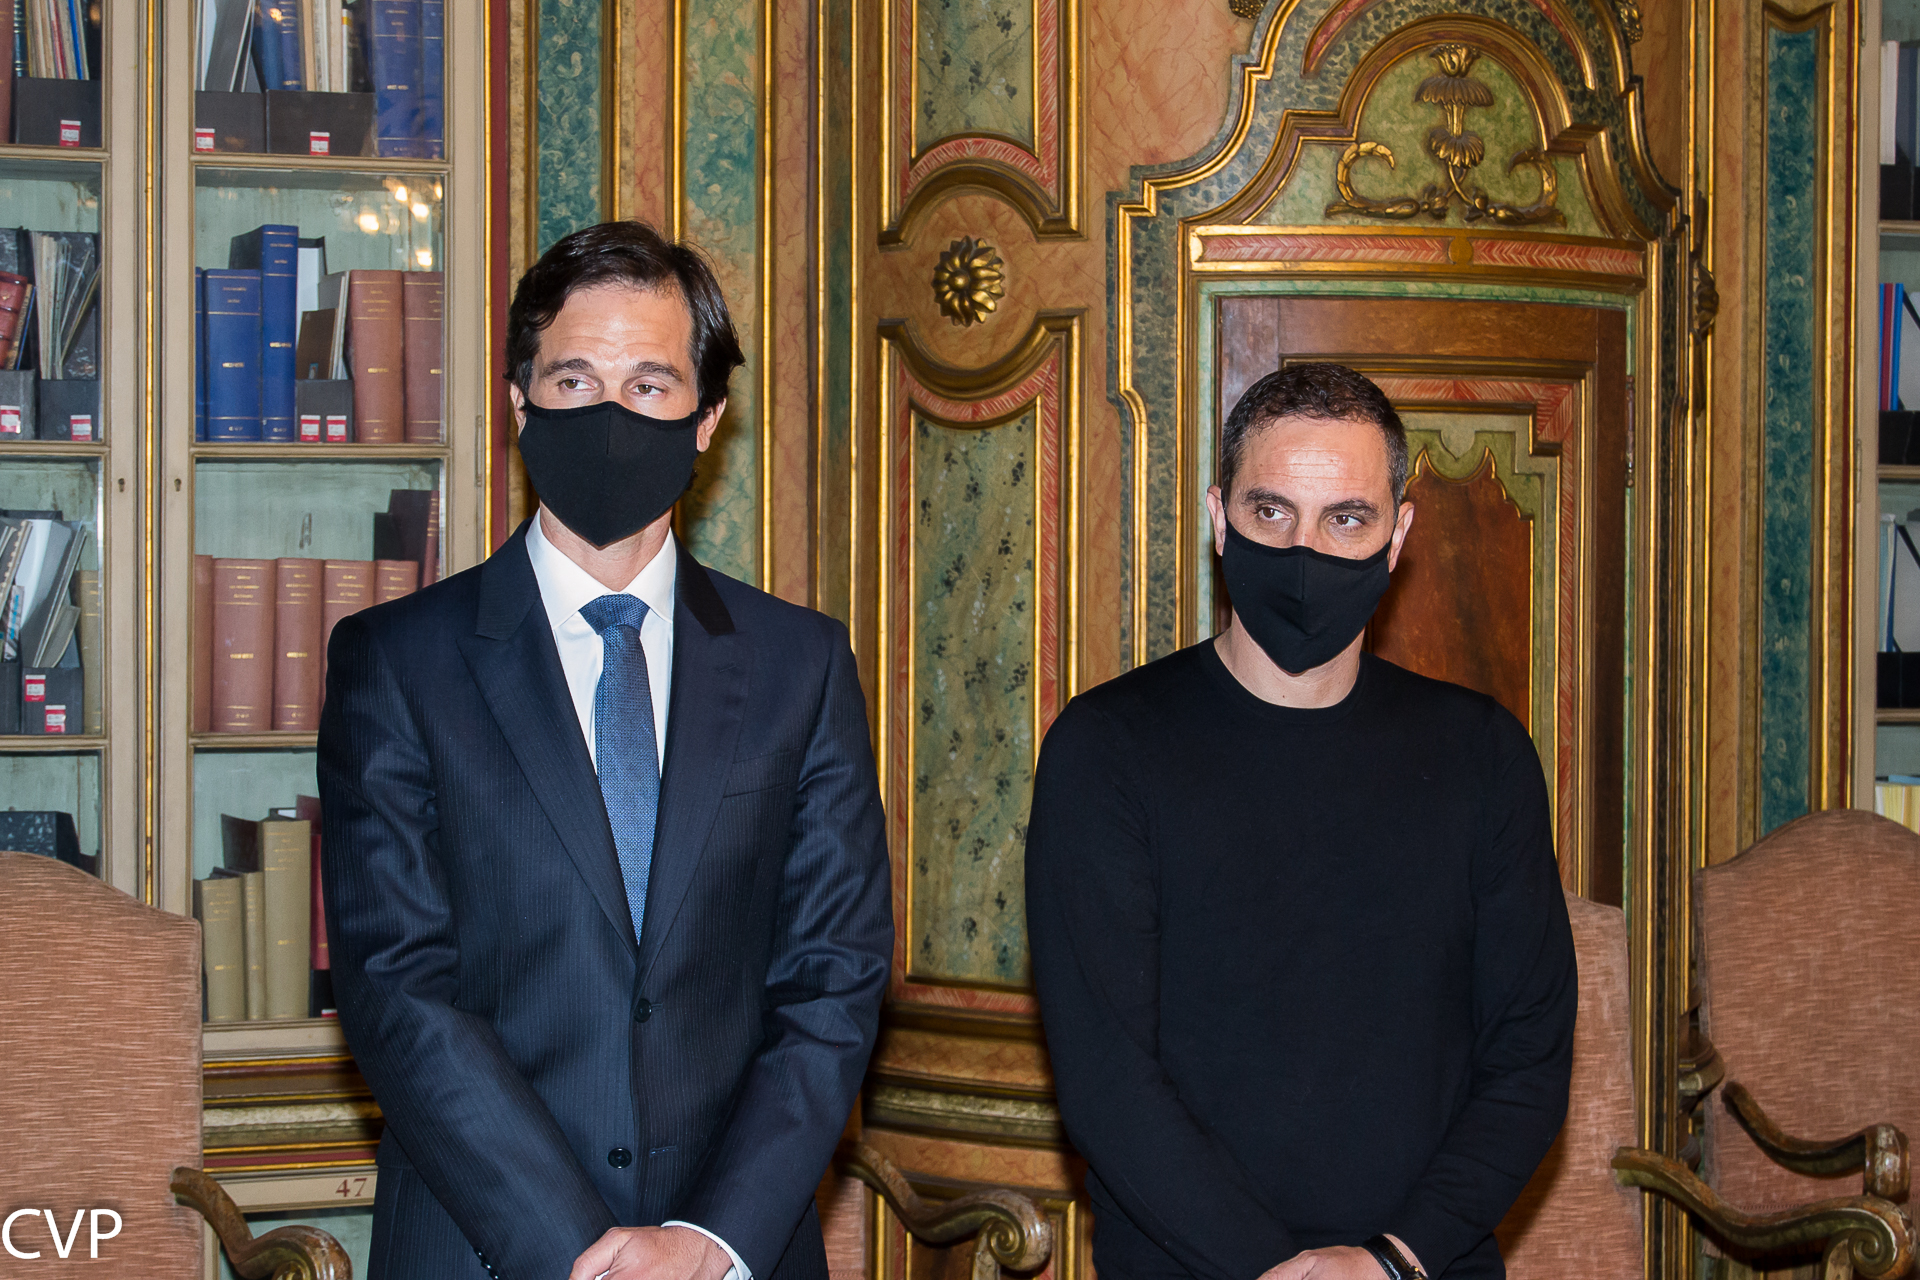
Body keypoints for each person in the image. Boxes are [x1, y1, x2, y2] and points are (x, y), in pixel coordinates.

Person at [318, 220, 893, 1280]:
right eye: (574, 380)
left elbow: (834, 975)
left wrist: (708, 1239)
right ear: (518, 401)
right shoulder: (395, 660)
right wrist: (579, 1251)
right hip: (484, 1247)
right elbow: (397, 983)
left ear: (707, 419)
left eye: (650, 384)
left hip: (732, 1253)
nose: (610, 414)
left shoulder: (801, 664)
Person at [1025, 363, 1576, 1280]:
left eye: (1346, 519)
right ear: (1220, 519)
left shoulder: (1483, 754)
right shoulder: (1106, 748)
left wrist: (1390, 1261)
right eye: (1272, 512)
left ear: (1398, 536)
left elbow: (1529, 1055)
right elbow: (1107, 1077)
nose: (1304, 551)